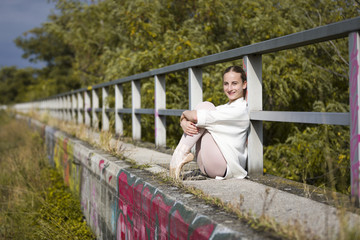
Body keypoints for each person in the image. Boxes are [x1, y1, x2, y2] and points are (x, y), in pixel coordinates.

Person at [170, 65, 250, 180]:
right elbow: (196, 117)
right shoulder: (224, 108)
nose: (229, 88)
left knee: (205, 107)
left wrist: (184, 114)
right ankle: (180, 153)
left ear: (244, 84)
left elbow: (196, 117)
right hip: (206, 164)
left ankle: (180, 153)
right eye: (226, 84)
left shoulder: (240, 110)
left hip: (224, 168)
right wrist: (183, 121)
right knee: (205, 109)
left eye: (234, 83)